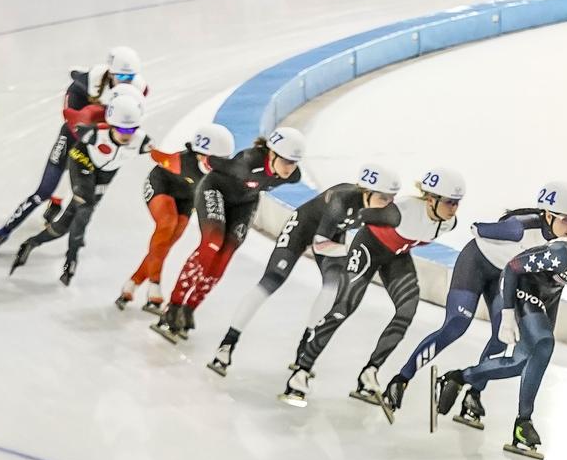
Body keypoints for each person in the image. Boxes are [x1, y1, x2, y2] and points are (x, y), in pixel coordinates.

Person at [371, 181, 567, 420]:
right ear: (548, 215)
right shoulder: (520, 228)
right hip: (476, 264)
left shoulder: (564, 244)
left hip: (503, 278)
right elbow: (477, 228)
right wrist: (501, 231)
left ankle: (474, 393)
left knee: (502, 337)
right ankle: (402, 379)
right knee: (456, 325)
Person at [435, 217, 567, 459]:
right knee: (545, 344)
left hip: (549, 297)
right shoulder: (560, 254)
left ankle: (458, 377)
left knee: (520, 364)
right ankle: (523, 422)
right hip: (523, 287)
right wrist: (506, 314)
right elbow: (512, 268)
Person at [293, 168, 465, 407]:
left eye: (457, 203)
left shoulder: (450, 223)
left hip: (397, 255)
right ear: (431, 199)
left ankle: (370, 371)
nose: (454, 208)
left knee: (408, 309)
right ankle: (301, 370)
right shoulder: (398, 212)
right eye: (449, 202)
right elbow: (356, 214)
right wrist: (325, 234)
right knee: (344, 306)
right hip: (368, 248)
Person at [204, 163, 401, 369]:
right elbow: (320, 242)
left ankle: (303, 352)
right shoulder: (342, 200)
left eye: (391, 198)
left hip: (333, 234)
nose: (388, 204)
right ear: (366, 192)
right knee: (272, 280)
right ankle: (227, 344)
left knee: (332, 288)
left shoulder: (382, 209)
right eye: (383, 198)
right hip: (303, 228)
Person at [151, 125, 307, 341]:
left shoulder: (293, 176)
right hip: (215, 191)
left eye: (294, 162)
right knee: (212, 244)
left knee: (224, 257)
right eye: (286, 161)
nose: (290, 168)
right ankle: (174, 306)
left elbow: (286, 174)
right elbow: (214, 162)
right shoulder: (248, 161)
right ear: (272, 153)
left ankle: (189, 309)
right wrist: (203, 159)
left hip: (245, 203)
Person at [0, 47, 146, 253]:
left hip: (97, 144)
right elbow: (69, 115)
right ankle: (5, 231)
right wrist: (90, 127)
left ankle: (65, 218)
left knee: (88, 198)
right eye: (122, 76)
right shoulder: (87, 83)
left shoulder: (138, 90)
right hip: (75, 135)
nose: (126, 80)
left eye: (130, 76)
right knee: (44, 191)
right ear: (110, 72)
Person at [7, 91, 148, 285]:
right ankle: (71, 260)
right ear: (111, 125)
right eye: (121, 129)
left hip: (102, 176)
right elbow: (70, 119)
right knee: (85, 209)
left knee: (64, 226)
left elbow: (167, 159)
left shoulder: (142, 141)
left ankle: (30, 243)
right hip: (81, 163)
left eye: (131, 130)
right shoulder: (94, 133)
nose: (126, 135)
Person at [118, 122, 234, 313]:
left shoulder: (220, 174)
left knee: (167, 242)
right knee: (167, 224)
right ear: (199, 154)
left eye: (223, 161)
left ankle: (132, 283)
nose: (218, 167)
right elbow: (157, 156)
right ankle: (154, 286)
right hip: (161, 185)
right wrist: (146, 145)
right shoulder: (181, 161)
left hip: (187, 199)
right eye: (214, 161)